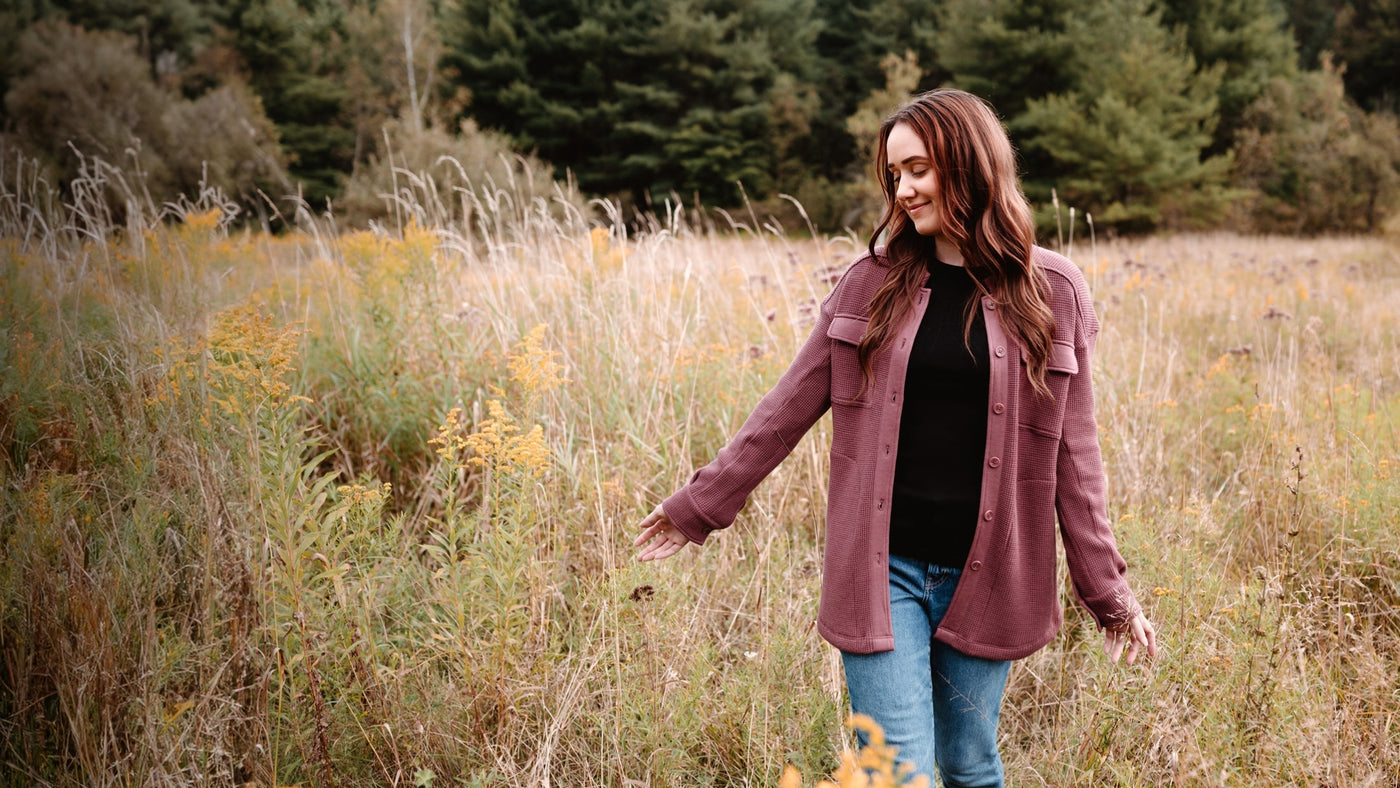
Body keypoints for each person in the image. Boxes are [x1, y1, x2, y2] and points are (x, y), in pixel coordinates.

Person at [633, 88, 1158, 787]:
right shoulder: (871, 283)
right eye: (894, 176)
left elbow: (1075, 460)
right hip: (882, 569)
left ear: (968, 162)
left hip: (991, 569)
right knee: (897, 774)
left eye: (918, 169)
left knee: (967, 761)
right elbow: (785, 408)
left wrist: (1108, 593)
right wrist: (700, 505)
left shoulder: (1052, 290)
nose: (903, 190)